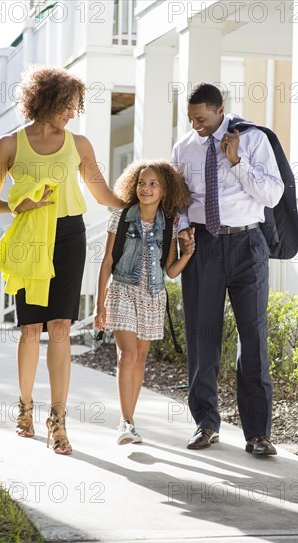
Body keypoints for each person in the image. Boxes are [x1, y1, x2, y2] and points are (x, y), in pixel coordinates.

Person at [0, 66, 123, 455]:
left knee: (60, 325)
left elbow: (102, 193)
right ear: (46, 100)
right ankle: (25, 408)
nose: (73, 113)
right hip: (30, 237)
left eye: (75, 106)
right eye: (68, 105)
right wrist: (18, 204)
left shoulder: (79, 144)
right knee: (31, 328)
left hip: (68, 236)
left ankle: (58, 420)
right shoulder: (8, 145)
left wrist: (139, 202)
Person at [172, 82, 284, 456]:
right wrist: (183, 226)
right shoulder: (184, 147)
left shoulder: (252, 141)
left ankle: (258, 434)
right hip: (203, 246)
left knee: (252, 337)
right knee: (202, 336)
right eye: (191, 119)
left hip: (247, 244)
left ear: (221, 110)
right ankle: (205, 423)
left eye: (201, 119)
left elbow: (271, 194)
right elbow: (181, 199)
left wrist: (237, 162)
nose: (196, 126)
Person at [94, 160, 193, 444]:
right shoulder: (122, 217)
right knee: (126, 354)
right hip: (123, 289)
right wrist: (100, 304)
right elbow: (108, 260)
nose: (146, 189)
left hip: (153, 295)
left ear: (164, 190)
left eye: (153, 184)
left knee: (139, 358)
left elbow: (171, 271)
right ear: (132, 186)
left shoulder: (169, 225)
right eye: (141, 183)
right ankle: (125, 422)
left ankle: (130, 421)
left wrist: (186, 254)